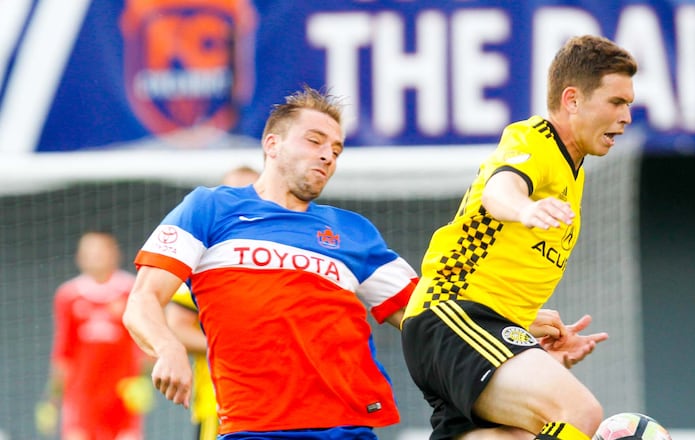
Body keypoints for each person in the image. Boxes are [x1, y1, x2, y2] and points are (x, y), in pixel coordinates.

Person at [122, 86, 419, 439]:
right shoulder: (209, 209)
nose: (328, 156)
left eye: (336, 149)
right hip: (253, 427)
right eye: (315, 141)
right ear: (272, 145)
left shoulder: (354, 231)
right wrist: (167, 347)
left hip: (347, 425)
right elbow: (142, 301)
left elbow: (423, 316)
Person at [400, 34, 638, 440]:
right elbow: (499, 191)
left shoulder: (573, 171)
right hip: (453, 313)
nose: (626, 116)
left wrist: (523, 327)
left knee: (522, 435)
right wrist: (524, 208)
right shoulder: (536, 139)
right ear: (573, 100)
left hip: (478, 324)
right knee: (580, 412)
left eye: (629, 105)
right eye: (617, 102)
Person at [165, 165, 260, 440]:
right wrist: (235, 348)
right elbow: (177, 327)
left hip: (288, 409)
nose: (241, 202)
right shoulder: (203, 257)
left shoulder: (288, 253)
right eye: (232, 194)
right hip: (221, 409)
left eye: (251, 193)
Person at [38, 231, 152, 440]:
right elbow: (63, 351)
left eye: (100, 249)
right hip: (81, 396)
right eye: (88, 250)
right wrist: (52, 400)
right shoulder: (68, 295)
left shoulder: (132, 290)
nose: (95, 255)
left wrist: (144, 381)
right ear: (79, 256)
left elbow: (148, 341)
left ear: (114, 253)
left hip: (122, 393)